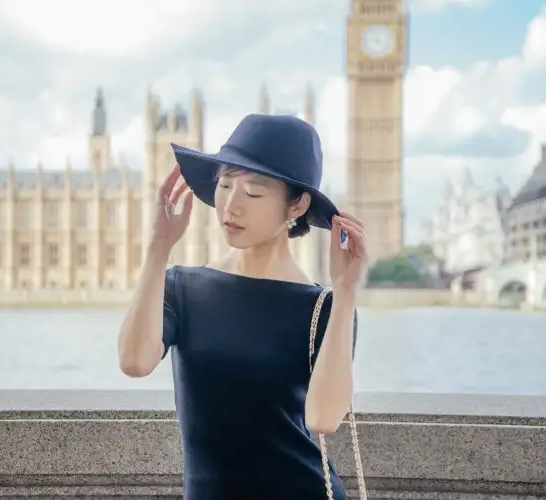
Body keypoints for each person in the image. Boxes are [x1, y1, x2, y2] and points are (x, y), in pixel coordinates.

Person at [118, 113, 368, 500]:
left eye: (253, 192)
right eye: (224, 185)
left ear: (298, 204)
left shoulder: (326, 306)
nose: (230, 206)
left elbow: (322, 419)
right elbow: (134, 362)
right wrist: (158, 246)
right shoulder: (182, 287)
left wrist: (347, 290)